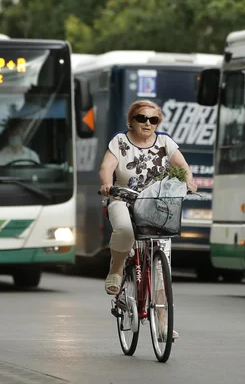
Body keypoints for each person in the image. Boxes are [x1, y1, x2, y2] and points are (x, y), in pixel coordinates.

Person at [99, 100, 198, 341]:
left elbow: (182, 166)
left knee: (161, 272)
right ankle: (117, 269)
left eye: (153, 120)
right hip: (124, 197)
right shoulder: (120, 141)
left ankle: (163, 326)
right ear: (131, 121)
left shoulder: (165, 142)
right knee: (124, 229)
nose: (147, 123)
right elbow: (106, 167)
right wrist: (107, 184)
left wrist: (189, 182)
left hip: (157, 203)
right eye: (142, 118)